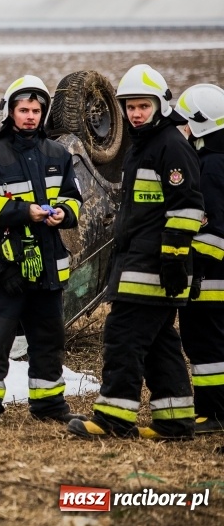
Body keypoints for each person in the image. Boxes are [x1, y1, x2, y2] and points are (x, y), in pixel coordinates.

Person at [68, 65, 205, 440]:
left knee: (123, 340)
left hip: (153, 270)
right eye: (129, 107)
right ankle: (175, 421)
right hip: (139, 266)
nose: (135, 113)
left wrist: (174, 258)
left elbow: (188, 208)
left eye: (143, 106)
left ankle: (113, 418)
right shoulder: (141, 147)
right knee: (161, 346)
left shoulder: (171, 147)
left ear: (160, 106)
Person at [0, 75, 84, 425]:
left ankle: (49, 405)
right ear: (10, 112)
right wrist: (25, 212)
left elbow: (74, 198)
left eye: (36, 110)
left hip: (47, 266)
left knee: (49, 339)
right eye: (23, 110)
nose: (30, 116)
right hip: (8, 268)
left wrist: (63, 213)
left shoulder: (58, 154)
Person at [174, 83, 224, 434]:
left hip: (210, 282)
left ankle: (214, 413)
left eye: (186, 125)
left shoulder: (209, 167)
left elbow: (212, 231)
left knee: (207, 346)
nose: (183, 132)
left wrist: (188, 263)